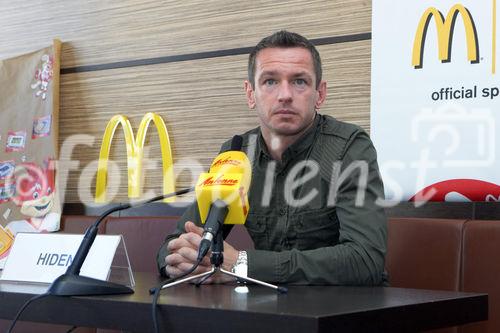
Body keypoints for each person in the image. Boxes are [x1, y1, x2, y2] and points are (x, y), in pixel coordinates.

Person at [157, 30, 387, 285]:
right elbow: (170, 247)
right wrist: (185, 261)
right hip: (266, 308)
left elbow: (365, 260)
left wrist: (242, 264)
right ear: (250, 94)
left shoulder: (349, 148)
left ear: (320, 94)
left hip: (342, 311)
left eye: (299, 81)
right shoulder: (236, 154)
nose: (285, 94)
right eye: (270, 81)